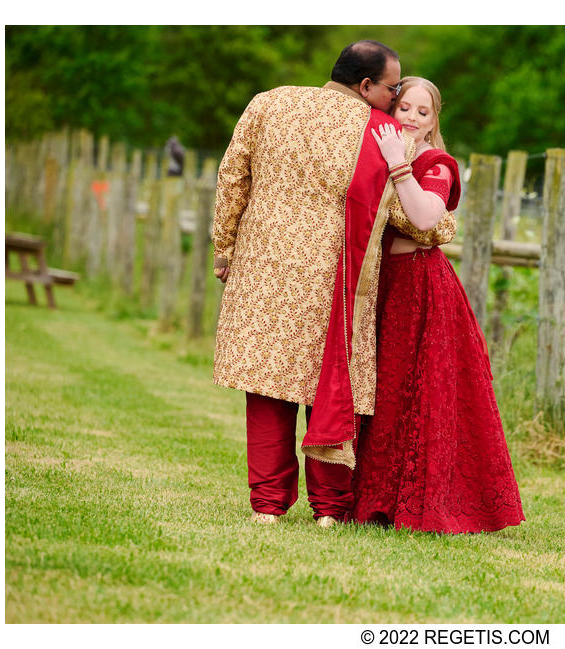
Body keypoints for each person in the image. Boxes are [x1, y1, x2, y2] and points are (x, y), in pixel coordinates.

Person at [211, 43, 456, 527]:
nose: (395, 100)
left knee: (268, 387)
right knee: (331, 386)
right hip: (338, 277)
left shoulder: (268, 102)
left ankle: (267, 506)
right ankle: (329, 509)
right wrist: (443, 228)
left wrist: (225, 246)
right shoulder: (378, 132)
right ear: (366, 87)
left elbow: (232, 178)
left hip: (263, 271)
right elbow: (416, 220)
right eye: (392, 89)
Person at [349, 77, 525, 533]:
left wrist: (397, 166)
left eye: (421, 112)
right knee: (379, 390)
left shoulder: (436, 164)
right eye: (403, 107)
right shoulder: (371, 153)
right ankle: (371, 501)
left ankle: (424, 503)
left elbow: (427, 216)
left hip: (420, 286)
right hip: (378, 287)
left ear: (433, 122)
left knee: (418, 389)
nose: (409, 117)